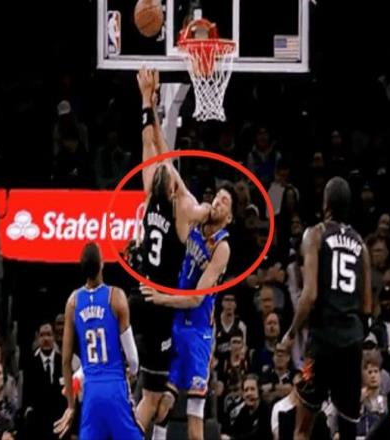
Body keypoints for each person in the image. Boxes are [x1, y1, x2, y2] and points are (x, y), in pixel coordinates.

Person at [133, 67, 211, 434]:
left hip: (142, 296)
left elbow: (148, 145)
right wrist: (212, 209)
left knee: (161, 397)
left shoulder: (149, 194)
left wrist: (145, 101)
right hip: (159, 309)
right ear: (174, 188)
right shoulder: (184, 212)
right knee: (151, 400)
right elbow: (207, 213)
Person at [282, 176, 373, 440]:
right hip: (351, 342)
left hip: (322, 342)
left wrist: (291, 334)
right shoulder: (361, 245)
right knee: (348, 430)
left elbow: (309, 294)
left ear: (326, 204)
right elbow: (367, 305)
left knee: (302, 428)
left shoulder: (316, 234)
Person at [142, 184, 235, 440]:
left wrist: (161, 298)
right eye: (217, 196)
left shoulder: (222, 247)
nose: (217, 201)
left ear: (229, 217)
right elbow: (180, 190)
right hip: (176, 323)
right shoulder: (195, 220)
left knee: (195, 426)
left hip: (197, 332)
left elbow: (196, 298)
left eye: (224, 201)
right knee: (162, 406)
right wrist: (164, 159)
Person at [54, 242, 143, 439]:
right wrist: (132, 373)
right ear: (102, 264)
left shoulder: (73, 301)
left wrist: (70, 406)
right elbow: (133, 359)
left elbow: (65, 361)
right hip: (115, 387)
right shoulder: (116, 296)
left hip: (91, 392)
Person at [23, 321, 64, 440]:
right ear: (37, 337)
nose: (46, 339)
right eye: (42, 335)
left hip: (60, 425)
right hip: (37, 427)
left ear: (54, 337)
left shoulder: (63, 363)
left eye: (49, 334)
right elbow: (26, 398)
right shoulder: (29, 365)